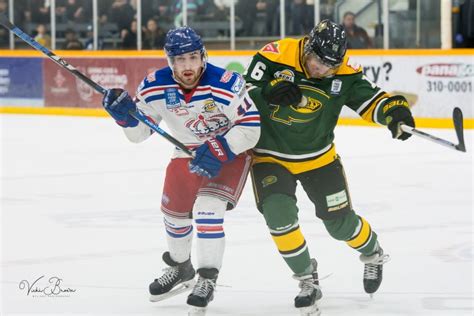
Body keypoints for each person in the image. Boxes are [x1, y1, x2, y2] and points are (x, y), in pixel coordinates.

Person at [243, 19, 415, 315]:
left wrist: (394, 112)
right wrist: (267, 92)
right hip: (270, 156)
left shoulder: (345, 71)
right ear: (308, 46)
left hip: (319, 158)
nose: (322, 69)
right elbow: (241, 93)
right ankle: (307, 281)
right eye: (317, 61)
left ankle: (372, 253)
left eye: (329, 66)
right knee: (279, 219)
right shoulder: (275, 54)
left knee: (340, 226)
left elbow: (373, 101)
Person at [102, 27, 260, 313]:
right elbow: (139, 134)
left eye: (192, 57)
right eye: (179, 59)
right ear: (169, 61)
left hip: (228, 153)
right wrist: (124, 118)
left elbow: (251, 129)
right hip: (184, 151)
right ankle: (180, 267)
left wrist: (220, 148)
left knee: (207, 211)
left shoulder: (227, 83)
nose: (187, 66)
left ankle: (207, 278)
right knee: (173, 215)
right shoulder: (153, 86)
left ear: (203, 56)